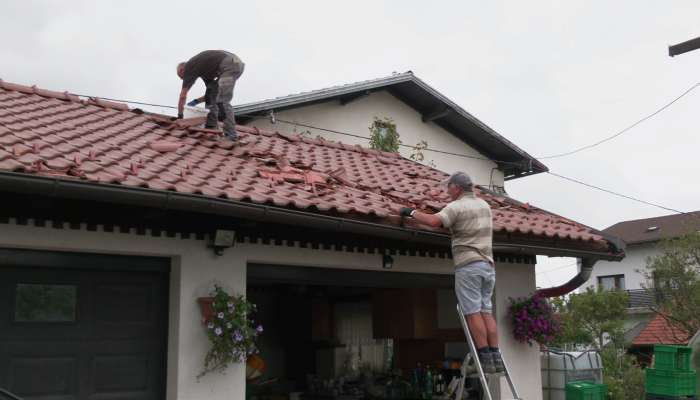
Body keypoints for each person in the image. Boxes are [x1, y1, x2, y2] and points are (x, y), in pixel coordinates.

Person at [399, 172, 504, 374]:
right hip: (488, 266)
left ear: (457, 187)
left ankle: (484, 357)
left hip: (469, 265)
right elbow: (464, 226)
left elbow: (433, 221)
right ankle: (495, 355)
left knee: (472, 313)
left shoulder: (456, 207)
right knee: (486, 311)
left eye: (449, 188)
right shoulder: (484, 206)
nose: (447, 191)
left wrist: (410, 212)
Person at [176, 50, 245, 141]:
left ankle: (231, 136)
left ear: (182, 70)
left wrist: (180, 116)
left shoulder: (189, 67)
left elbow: (183, 95)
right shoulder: (204, 70)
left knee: (222, 101)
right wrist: (196, 101)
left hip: (229, 65)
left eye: (182, 77)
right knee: (212, 96)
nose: (184, 79)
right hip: (235, 64)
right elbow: (209, 94)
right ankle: (211, 128)